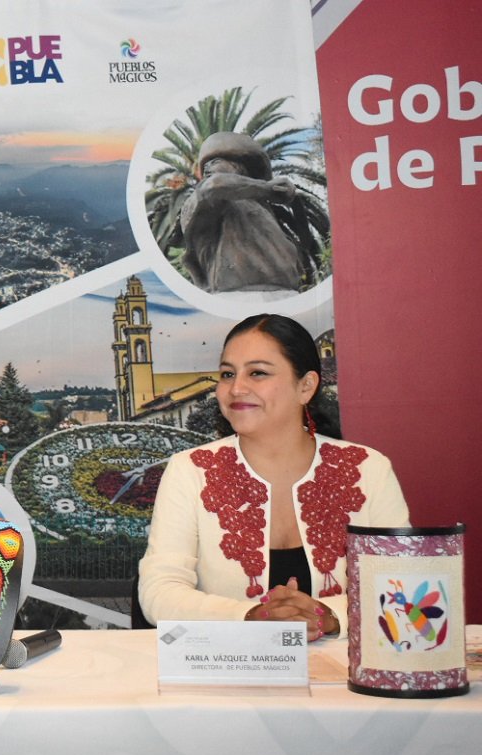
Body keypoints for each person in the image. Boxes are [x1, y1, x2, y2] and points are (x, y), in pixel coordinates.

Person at [138, 314, 409, 639]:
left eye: (258, 373)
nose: (236, 388)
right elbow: (159, 592)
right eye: (227, 374)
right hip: (230, 671)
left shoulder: (368, 470)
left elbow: (401, 583)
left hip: (344, 677)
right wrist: (251, 616)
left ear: (306, 386)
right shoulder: (190, 470)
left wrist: (331, 616)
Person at [180, 132, 311, 294]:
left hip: (285, 296)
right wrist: (268, 188)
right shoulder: (204, 200)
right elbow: (213, 186)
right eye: (205, 164)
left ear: (239, 167)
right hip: (239, 297)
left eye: (215, 161)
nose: (207, 167)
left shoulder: (260, 209)